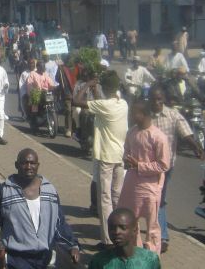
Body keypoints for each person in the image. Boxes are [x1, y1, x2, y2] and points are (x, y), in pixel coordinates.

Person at [0, 148, 80, 268]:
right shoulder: (4, 192)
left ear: (38, 165)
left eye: (32, 163)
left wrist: (72, 246)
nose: (29, 167)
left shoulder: (50, 191)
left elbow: (59, 223)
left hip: (45, 260)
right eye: (24, 163)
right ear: (17, 165)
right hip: (15, 261)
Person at [73, 70, 128, 246]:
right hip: (120, 156)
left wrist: (87, 85)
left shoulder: (105, 106)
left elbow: (76, 101)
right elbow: (99, 101)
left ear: (105, 87)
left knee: (104, 199)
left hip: (106, 156)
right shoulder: (122, 104)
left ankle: (107, 240)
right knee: (117, 197)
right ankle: (121, 232)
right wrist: (96, 88)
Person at [148, 86, 204, 253]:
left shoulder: (173, 115)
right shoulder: (145, 114)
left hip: (166, 166)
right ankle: (155, 233)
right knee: (152, 199)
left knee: (159, 198)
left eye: (159, 99)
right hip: (147, 166)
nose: (156, 102)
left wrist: (196, 147)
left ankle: (162, 236)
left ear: (163, 99)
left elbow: (185, 133)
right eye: (153, 99)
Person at [116, 101, 170, 254]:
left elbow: (163, 165)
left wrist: (140, 165)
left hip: (149, 187)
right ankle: (135, 254)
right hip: (131, 184)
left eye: (135, 113)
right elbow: (126, 151)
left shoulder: (158, 137)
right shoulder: (132, 132)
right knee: (131, 222)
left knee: (152, 226)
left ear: (145, 114)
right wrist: (127, 161)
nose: (131, 116)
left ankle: (153, 257)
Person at [88, 208, 161, 269]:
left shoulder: (149, 260)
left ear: (135, 230)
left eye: (123, 228)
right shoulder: (99, 261)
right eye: (112, 228)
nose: (117, 232)